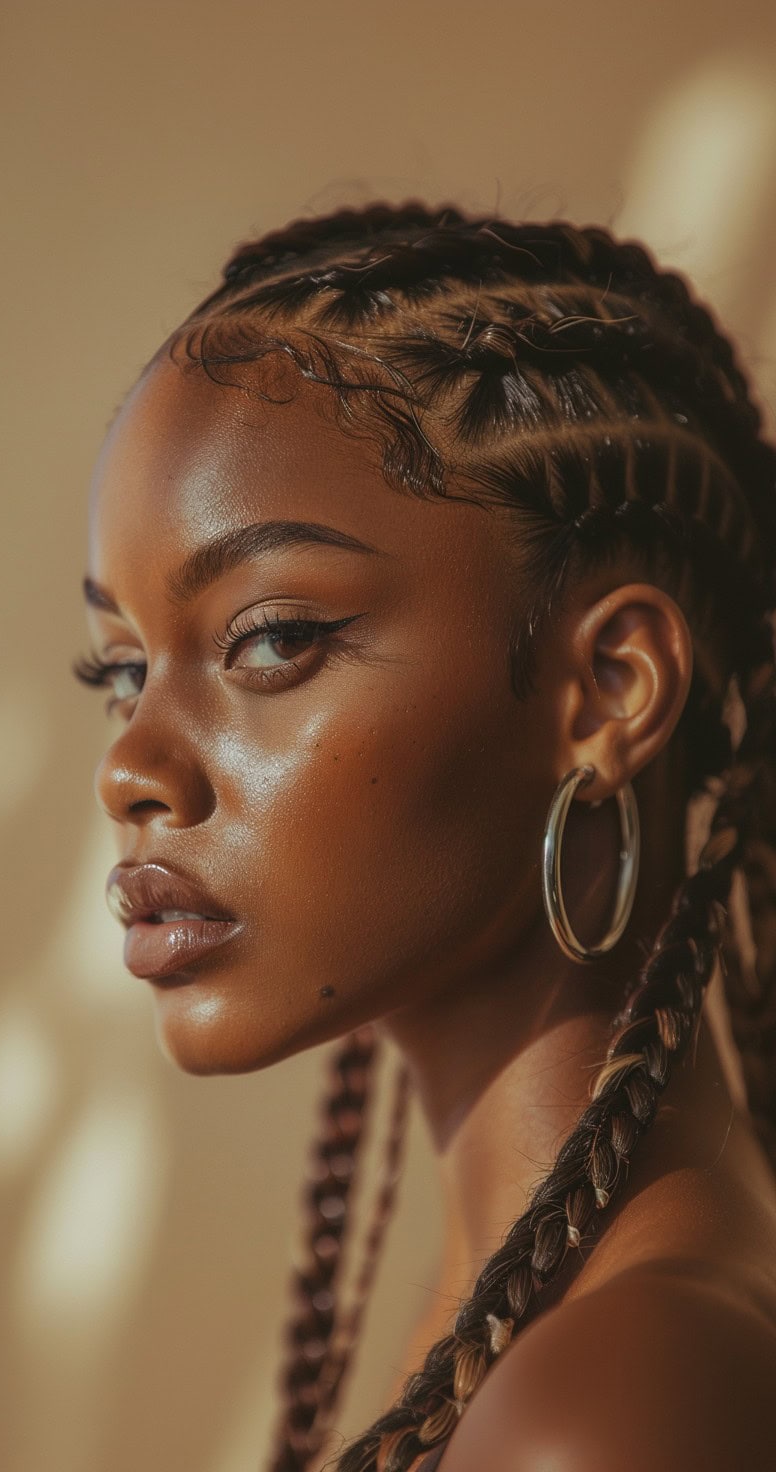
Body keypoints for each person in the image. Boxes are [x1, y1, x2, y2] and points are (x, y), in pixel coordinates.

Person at [76, 204, 776, 1471]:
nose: (133, 764)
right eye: (120, 668)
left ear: (613, 692)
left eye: (272, 638)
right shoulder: (526, 1322)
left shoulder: (614, 1404)